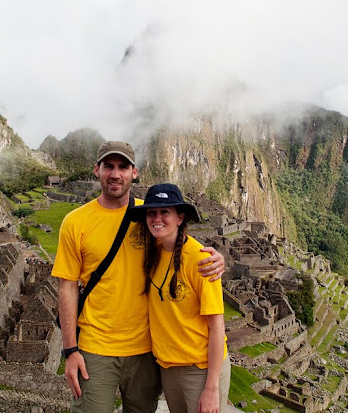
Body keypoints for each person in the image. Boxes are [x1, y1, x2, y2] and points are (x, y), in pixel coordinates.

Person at [51, 141, 225, 413]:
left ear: (135, 172)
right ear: (97, 170)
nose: (115, 174)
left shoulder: (149, 215)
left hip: (145, 350)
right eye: (109, 166)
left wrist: (215, 258)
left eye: (123, 167)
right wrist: (70, 350)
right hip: (96, 346)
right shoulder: (76, 222)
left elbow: (179, 244)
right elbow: (67, 287)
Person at [129, 183, 230, 413]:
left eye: (165, 212)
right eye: (152, 212)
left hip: (200, 369)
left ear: (179, 217)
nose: (157, 218)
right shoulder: (152, 251)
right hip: (169, 368)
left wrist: (212, 388)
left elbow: (217, 327)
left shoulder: (201, 261)